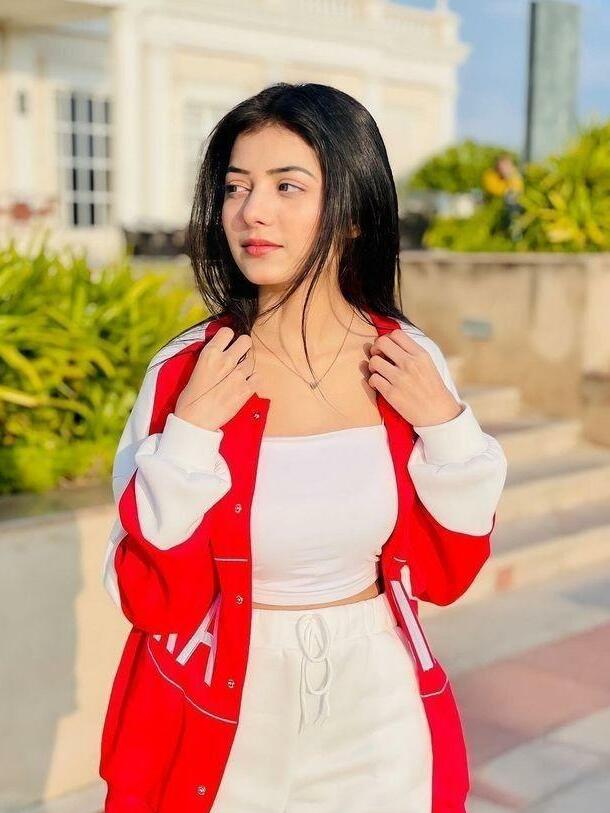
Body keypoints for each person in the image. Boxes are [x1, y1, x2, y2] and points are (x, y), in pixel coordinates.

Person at [100, 83, 508, 813]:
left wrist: (447, 428)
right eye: (236, 187)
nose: (251, 211)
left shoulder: (408, 362)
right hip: (227, 714)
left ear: (352, 212)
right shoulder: (185, 375)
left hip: (378, 710)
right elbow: (150, 597)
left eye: (287, 186)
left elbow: (449, 570)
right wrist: (190, 437)